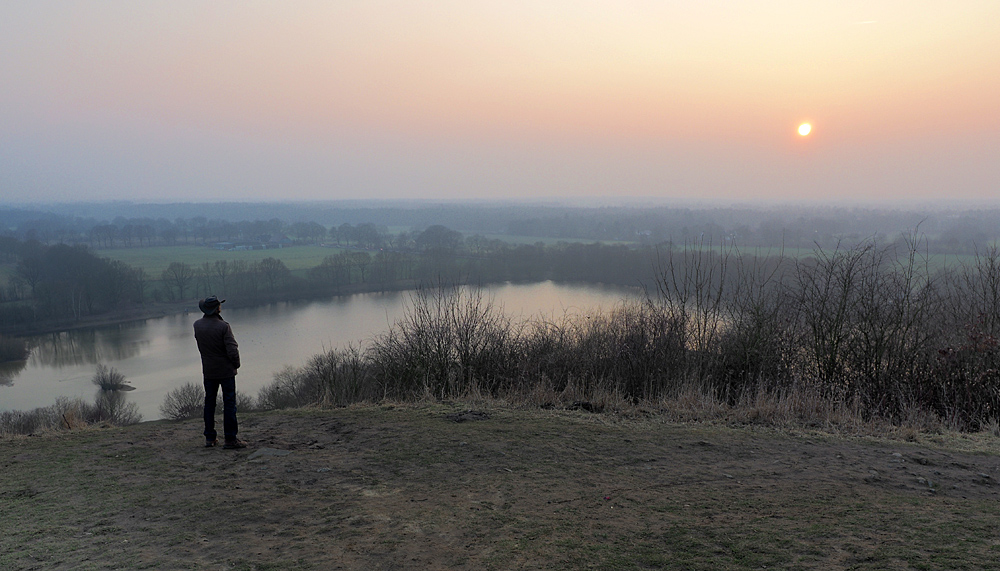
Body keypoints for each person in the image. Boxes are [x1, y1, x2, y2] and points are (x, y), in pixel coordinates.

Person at [193, 295, 246, 449]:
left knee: (209, 403)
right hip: (226, 371)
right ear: (217, 309)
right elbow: (232, 350)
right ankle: (230, 439)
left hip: (209, 370)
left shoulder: (197, 325)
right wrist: (236, 364)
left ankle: (210, 437)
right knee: (229, 404)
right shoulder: (224, 327)